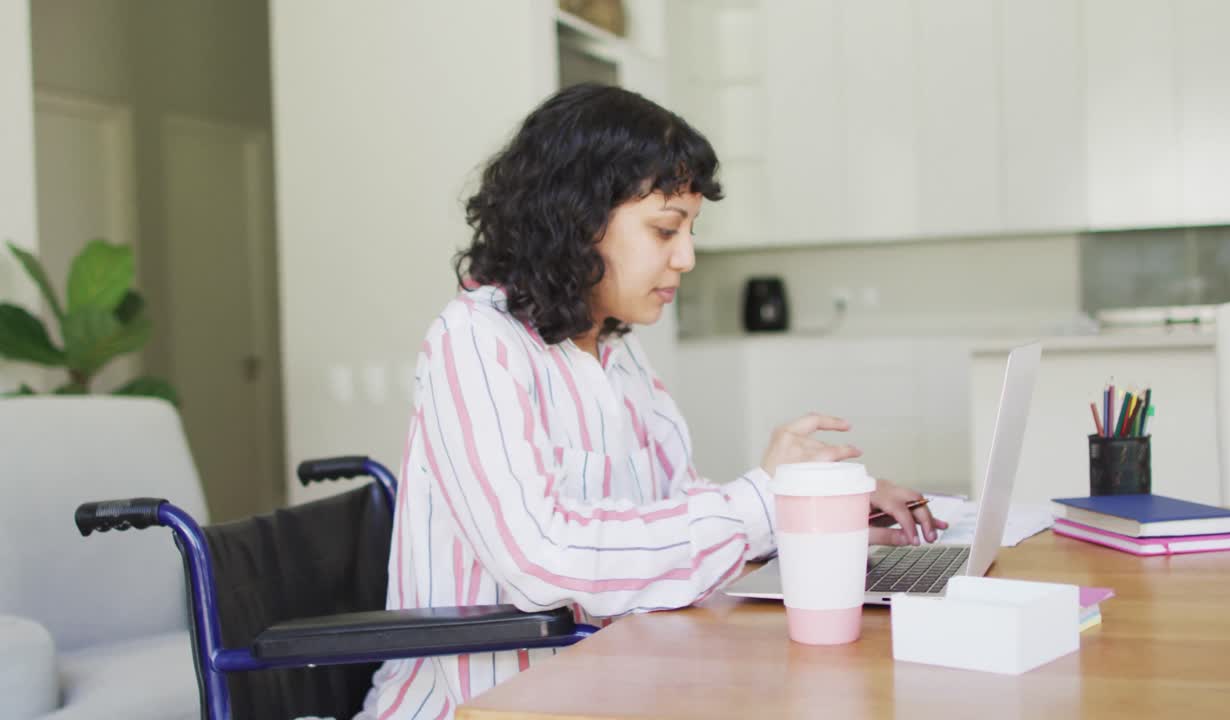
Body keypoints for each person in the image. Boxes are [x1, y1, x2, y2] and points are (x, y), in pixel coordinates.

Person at [363, 83, 946, 719]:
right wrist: (759, 500)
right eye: (666, 229)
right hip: (496, 706)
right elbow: (541, 561)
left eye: (690, 230)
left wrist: (812, 515)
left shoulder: (619, 351)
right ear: (575, 221)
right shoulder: (476, 340)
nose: (688, 257)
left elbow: (676, 528)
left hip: (623, 682)